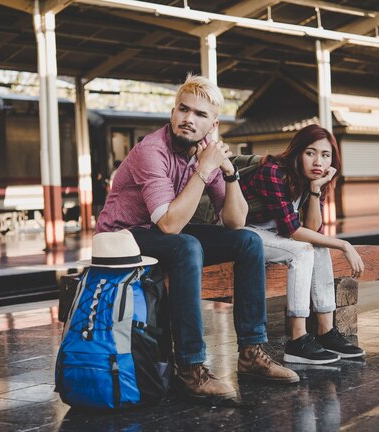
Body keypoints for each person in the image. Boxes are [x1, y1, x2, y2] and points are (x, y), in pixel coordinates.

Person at [96, 73, 299, 399]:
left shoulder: (206, 153)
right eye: (183, 109)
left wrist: (229, 173)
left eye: (200, 114)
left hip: (159, 231)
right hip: (121, 238)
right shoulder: (152, 150)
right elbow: (169, 226)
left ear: (213, 124)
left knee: (249, 241)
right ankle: (191, 369)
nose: (188, 119)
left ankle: (251, 354)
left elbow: (236, 222)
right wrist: (204, 170)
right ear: (173, 113)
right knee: (185, 245)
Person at [240, 124, 365, 365]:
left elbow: (313, 229)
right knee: (302, 251)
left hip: (272, 234)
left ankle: (326, 332)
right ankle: (297, 340)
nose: (318, 161)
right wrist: (344, 245)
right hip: (244, 233)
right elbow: (293, 231)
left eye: (325, 155)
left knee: (318, 247)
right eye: (310, 152)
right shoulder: (273, 171)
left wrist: (316, 190)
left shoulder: (313, 179)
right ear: (297, 153)